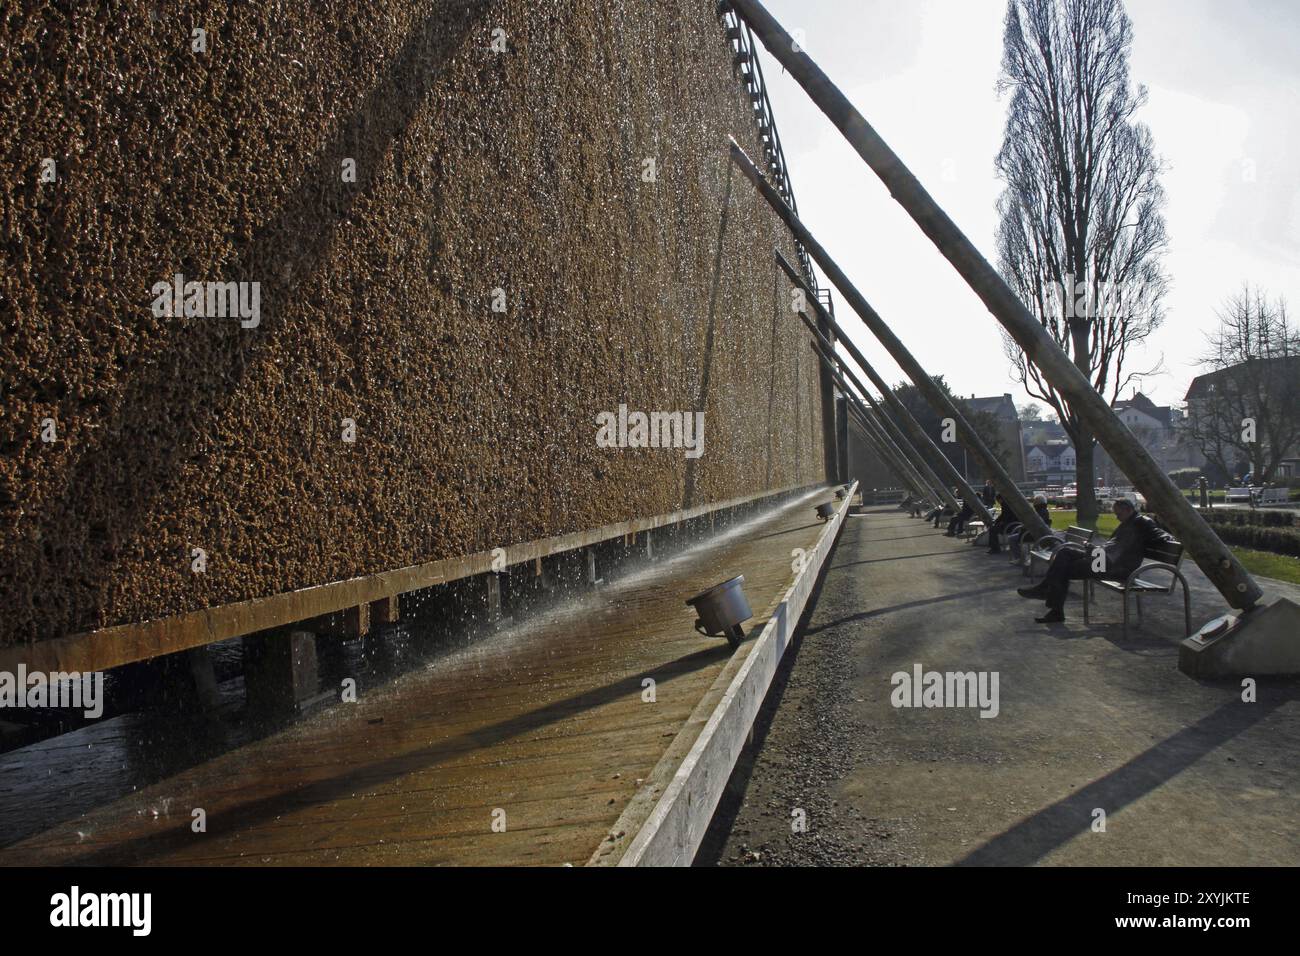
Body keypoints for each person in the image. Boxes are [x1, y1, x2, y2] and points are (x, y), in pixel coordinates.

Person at [1016, 497, 1166, 623]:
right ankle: (1047, 594)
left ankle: (1051, 602)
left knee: (1064, 567)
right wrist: (1092, 548)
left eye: (1118, 514)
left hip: (1114, 567)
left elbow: (1160, 534)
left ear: (1127, 509)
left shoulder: (1142, 522)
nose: (1117, 517)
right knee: (1064, 552)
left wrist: (1168, 538)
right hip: (1102, 559)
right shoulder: (1129, 522)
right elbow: (1112, 547)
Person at [1007, 495, 1052, 563]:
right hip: (1036, 534)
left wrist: (1024, 527)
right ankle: (1020, 558)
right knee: (1013, 537)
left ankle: (1019, 558)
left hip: (1032, 535)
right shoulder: (1044, 511)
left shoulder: (1039, 512)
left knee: (1012, 539)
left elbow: (1034, 524)